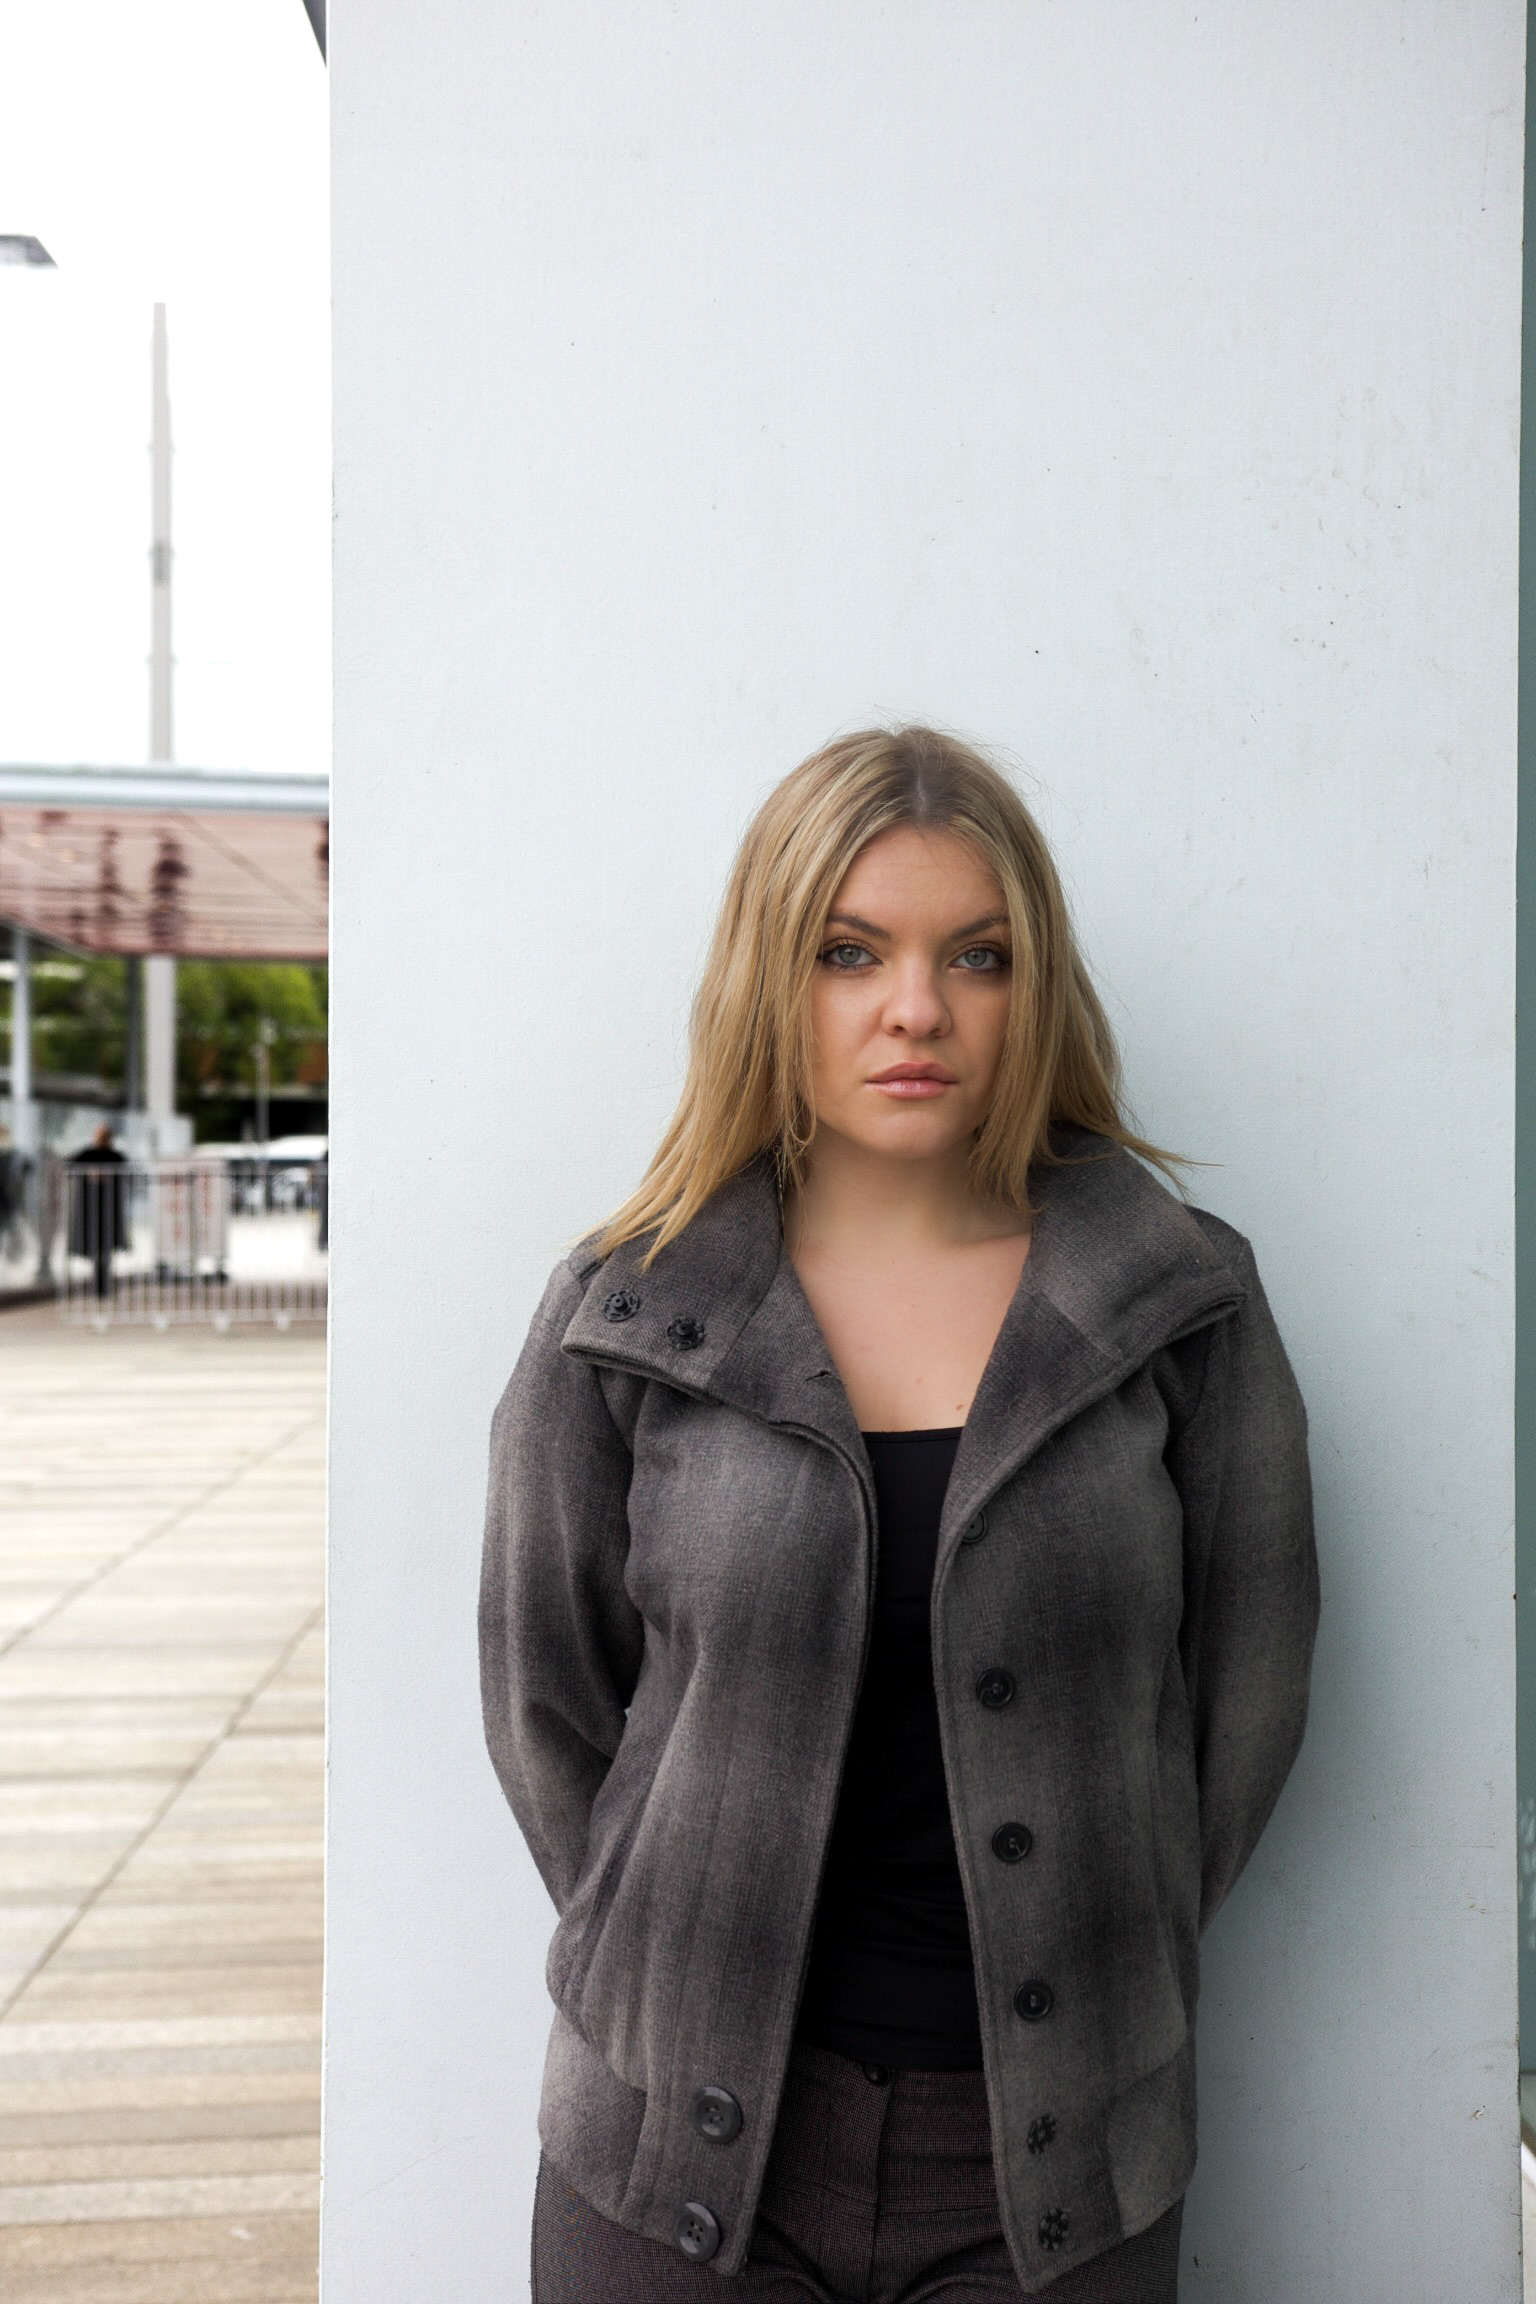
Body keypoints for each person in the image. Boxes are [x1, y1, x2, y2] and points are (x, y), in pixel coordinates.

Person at [480, 726, 1318, 2302]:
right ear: (768, 979)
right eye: (849, 951)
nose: (915, 1007)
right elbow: (547, 1704)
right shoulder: (624, 1316)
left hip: (1059, 2172)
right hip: (670, 2165)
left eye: (977, 957)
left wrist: (1107, 1929)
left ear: (1036, 987)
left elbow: (1243, 1703)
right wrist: (672, 1973)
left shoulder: (1178, 1305)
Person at [67, 1123, 130, 1300]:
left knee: (106, 1247)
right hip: (90, 1208)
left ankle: (103, 1283)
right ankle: (98, 1283)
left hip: (109, 1209)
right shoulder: (87, 1154)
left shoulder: (115, 1156)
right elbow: (69, 1164)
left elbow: (126, 1171)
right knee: (94, 1247)